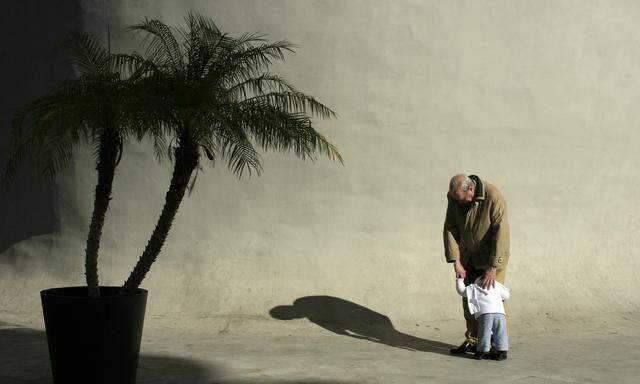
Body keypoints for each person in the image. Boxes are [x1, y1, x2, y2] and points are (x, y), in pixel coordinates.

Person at [443, 174, 510, 355]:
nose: (460, 203)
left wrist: (493, 266)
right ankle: (474, 340)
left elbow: (501, 232)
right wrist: (455, 261)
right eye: (456, 199)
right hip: (468, 257)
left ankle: (497, 344)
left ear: (471, 189)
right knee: (470, 301)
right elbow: (450, 228)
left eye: (462, 199)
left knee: (493, 302)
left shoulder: (492, 196)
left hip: (491, 258)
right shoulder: (454, 197)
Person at [455, 276, 510, 360]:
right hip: (499, 313)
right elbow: (506, 295)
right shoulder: (496, 285)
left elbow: (461, 291)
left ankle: (482, 352)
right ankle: (502, 352)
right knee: (500, 331)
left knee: (484, 332)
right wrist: (497, 286)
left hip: (485, 313)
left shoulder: (474, 287)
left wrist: (460, 279)